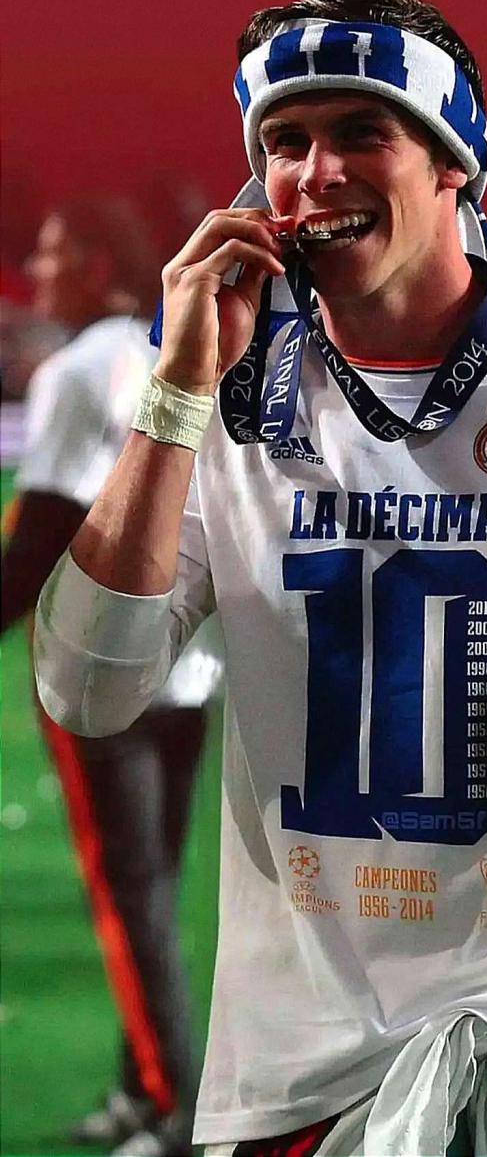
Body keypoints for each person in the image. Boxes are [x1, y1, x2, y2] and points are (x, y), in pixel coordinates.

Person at [33, 0, 487, 1157]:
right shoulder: (226, 410)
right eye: (284, 141)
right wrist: (178, 391)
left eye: (363, 131)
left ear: (455, 163)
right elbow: (86, 688)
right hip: (305, 1066)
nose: (317, 171)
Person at [2, 195, 223, 1157]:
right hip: (192, 664)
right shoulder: (185, 346)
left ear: (98, 262)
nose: (38, 272)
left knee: (129, 896)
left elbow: (42, 537)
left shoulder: (79, 368)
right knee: (158, 886)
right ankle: (145, 1087)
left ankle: (175, 1107)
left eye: (55, 251)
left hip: (103, 673)